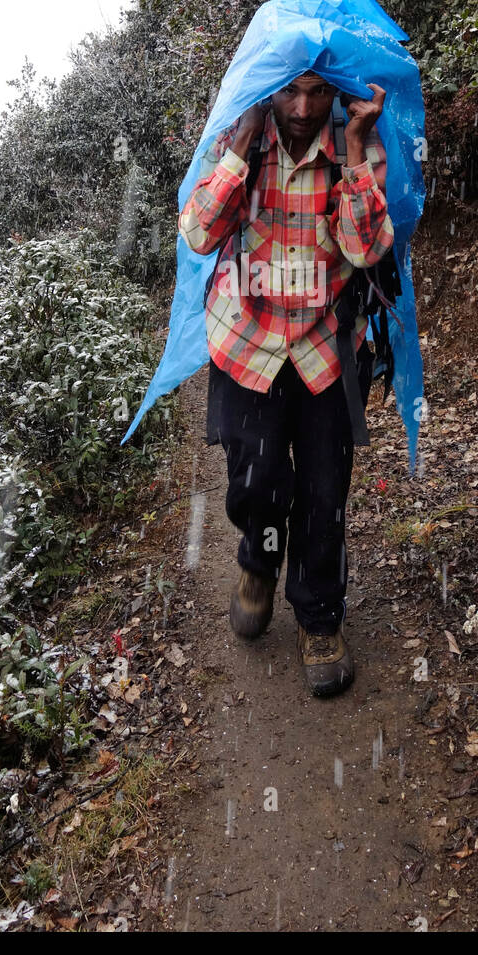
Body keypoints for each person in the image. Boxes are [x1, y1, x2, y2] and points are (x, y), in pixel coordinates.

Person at [178, 70, 393, 696]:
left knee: (325, 491)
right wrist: (242, 146)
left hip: (325, 345)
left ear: (337, 93)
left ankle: (320, 617)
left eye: (318, 93)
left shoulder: (357, 143)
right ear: (267, 88)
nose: (302, 109)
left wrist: (354, 148)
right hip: (248, 340)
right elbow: (198, 233)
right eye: (288, 92)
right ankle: (258, 561)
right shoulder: (240, 136)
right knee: (258, 480)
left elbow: (365, 250)